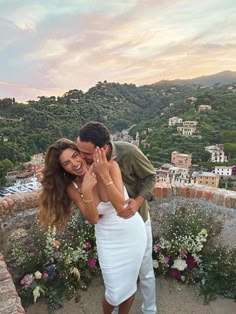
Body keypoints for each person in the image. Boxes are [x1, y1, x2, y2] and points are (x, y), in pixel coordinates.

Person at [39, 138, 147, 314]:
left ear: (81, 153)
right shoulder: (72, 186)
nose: (74, 164)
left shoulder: (108, 166)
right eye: (67, 163)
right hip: (108, 239)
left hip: (132, 233)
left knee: (129, 285)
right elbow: (93, 219)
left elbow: (122, 205)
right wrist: (87, 190)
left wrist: (103, 176)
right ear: (62, 168)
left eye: (75, 156)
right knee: (113, 292)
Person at [77, 122, 157, 314]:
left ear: (102, 149)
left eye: (86, 153)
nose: (82, 157)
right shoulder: (87, 169)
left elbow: (151, 177)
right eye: (79, 151)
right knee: (117, 281)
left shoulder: (128, 152)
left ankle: (150, 310)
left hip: (137, 218)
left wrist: (137, 202)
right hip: (112, 229)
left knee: (145, 272)